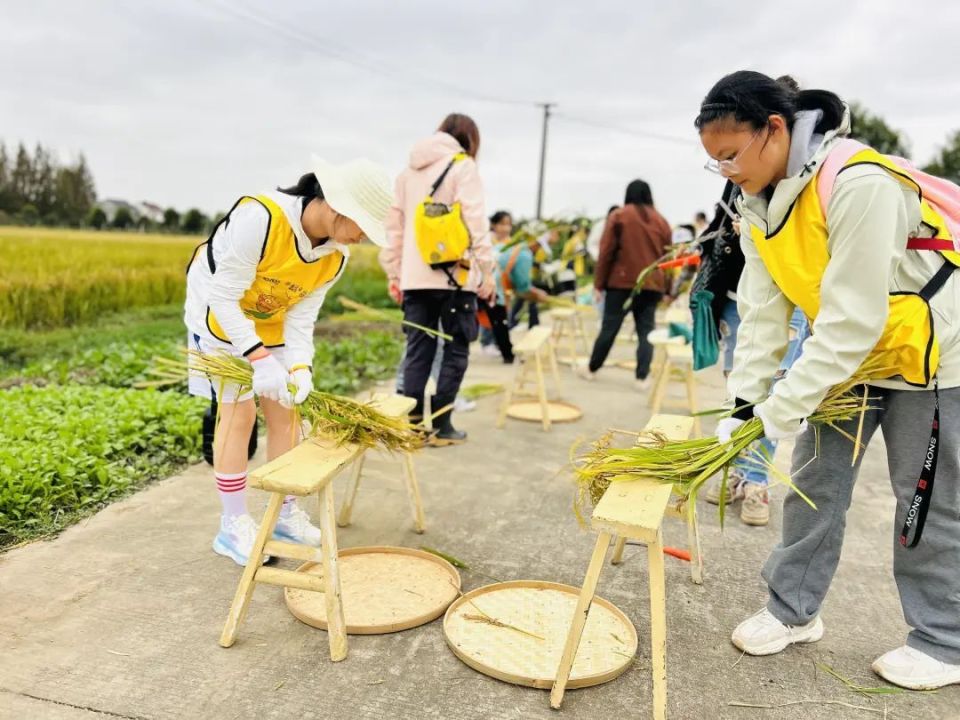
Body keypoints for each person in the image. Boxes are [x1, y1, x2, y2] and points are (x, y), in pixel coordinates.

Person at [698, 70, 960, 689]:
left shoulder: (858, 182)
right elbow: (763, 312)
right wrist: (743, 407)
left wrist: (779, 409)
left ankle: (944, 640)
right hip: (849, 357)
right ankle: (792, 612)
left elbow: (851, 321)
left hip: (929, 353)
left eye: (731, 154)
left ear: (776, 129)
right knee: (816, 484)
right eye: (715, 163)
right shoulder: (754, 203)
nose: (727, 172)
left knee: (924, 502)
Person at [184, 158, 392, 565]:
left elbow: (301, 318)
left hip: (272, 320)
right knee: (238, 413)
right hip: (219, 318)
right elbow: (223, 298)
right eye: (363, 225)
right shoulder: (260, 218)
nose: (363, 237)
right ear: (336, 205)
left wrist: (300, 368)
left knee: (287, 412)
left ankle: (284, 513)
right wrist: (259, 359)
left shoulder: (335, 257)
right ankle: (232, 526)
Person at [381, 113, 496, 445]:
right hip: (454, 277)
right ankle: (441, 424)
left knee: (418, 351)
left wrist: (394, 273)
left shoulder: (406, 174)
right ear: (470, 139)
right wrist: (485, 270)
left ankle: (415, 427)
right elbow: (475, 220)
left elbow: (394, 229)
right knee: (456, 349)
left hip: (414, 280)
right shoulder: (463, 166)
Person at [583, 179, 672, 388]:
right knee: (646, 331)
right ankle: (642, 377)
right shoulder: (662, 221)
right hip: (651, 284)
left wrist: (598, 283)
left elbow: (606, 253)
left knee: (610, 327)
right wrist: (667, 289)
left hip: (621, 283)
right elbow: (668, 258)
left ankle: (592, 369)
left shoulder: (619, 216)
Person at [479, 210, 517, 362]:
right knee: (492, 320)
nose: (505, 228)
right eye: (502, 224)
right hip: (482, 285)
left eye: (508, 224)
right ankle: (490, 345)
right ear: (493, 225)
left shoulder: (512, 244)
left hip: (499, 288)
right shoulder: (485, 240)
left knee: (500, 321)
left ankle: (506, 352)